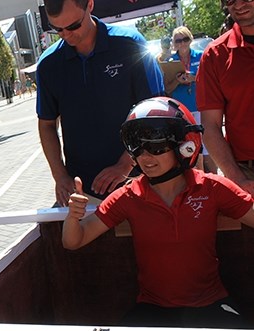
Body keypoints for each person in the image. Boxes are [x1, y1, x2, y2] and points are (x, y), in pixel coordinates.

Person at [63, 97, 254, 328]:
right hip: (153, 309)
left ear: (185, 145)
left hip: (209, 304)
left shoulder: (212, 188)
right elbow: (74, 240)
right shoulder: (128, 196)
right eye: (136, 145)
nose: (145, 156)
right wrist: (73, 216)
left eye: (155, 144)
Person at [36, 0, 164, 204]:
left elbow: (156, 113)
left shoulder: (130, 44)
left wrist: (124, 164)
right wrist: (60, 176)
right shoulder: (49, 65)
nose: (66, 35)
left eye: (73, 26)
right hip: (85, 189)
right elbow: (47, 125)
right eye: (57, 29)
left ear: (90, 5)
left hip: (140, 179)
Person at [196, 0, 254, 195]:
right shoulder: (215, 55)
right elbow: (210, 126)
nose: (238, 4)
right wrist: (238, 179)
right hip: (247, 171)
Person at [165, 26, 216, 173]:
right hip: (182, 110)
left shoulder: (201, 56)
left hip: (201, 106)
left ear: (190, 39)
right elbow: (167, 89)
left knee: (208, 147)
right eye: (178, 40)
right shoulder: (170, 61)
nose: (182, 43)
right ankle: (199, 182)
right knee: (191, 147)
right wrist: (177, 81)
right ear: (174, 43)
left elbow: (212, 81)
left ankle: (216, 180)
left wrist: (194, 78)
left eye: (185, 39)